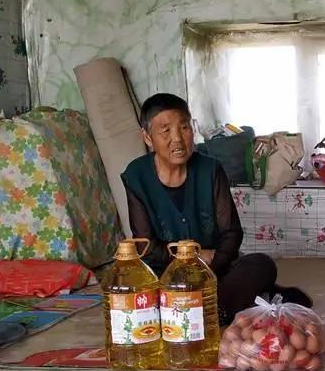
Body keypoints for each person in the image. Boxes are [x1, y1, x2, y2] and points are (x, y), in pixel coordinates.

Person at [121, 93, 311, 326]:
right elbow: (146, 245)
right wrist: (193, 257)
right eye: (166, 131)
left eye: (184, 127)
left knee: (261, 264)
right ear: (148, 137)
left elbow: (231, 233)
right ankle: (251, 298)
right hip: (167, 274)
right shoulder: (136, 176)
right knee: (134, 294)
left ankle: (215, 309)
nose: (178, 139)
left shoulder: (210, 169)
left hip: (215, 269)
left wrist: (210, 268)